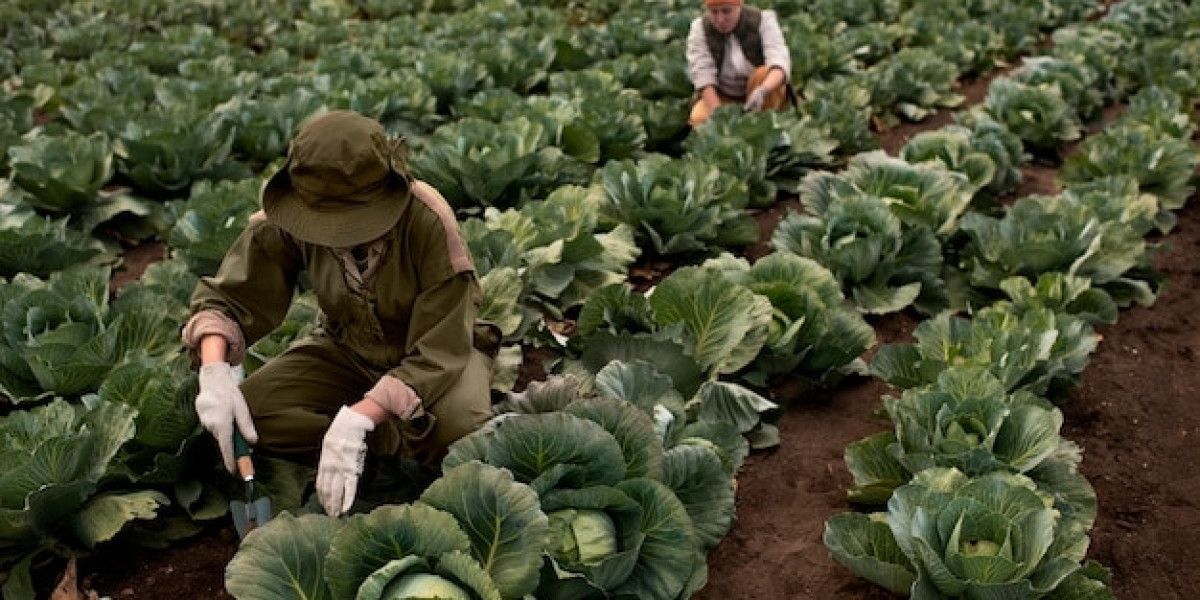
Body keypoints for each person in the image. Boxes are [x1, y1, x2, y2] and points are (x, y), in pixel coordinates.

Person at [182, 110, 496, 517]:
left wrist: (360, 418)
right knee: (253, 414)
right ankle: (386, 440)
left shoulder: (428, 222)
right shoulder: (292, 213)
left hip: (432, 361)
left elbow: (441, 347)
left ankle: (378, 431)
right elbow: (228, 296)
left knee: (462, 429)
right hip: (346, 350)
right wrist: (214, 371)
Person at [685, 0, 795, 127]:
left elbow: (779, 62)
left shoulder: (763, 20)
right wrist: (720, 116)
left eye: (726, 11)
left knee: (764, 73)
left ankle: (768, 120)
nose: (720, 19)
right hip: (724, 94)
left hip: (761, 88)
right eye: (714, 12)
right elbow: (703, 75)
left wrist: (762, 91)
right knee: (699, 118)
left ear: (739, 7)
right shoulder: (700, 28)